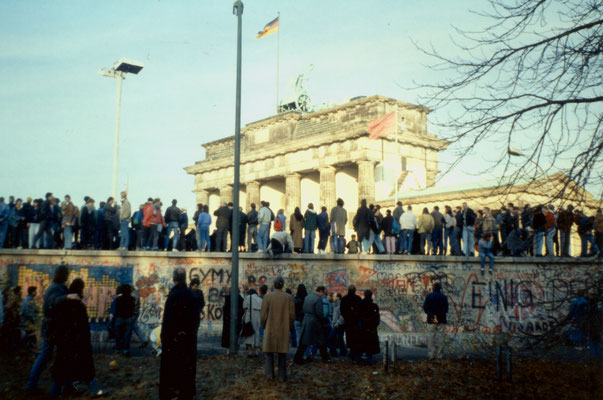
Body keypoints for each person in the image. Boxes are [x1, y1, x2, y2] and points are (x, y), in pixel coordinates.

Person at [50, 278, 104, 397]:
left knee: (62, 368)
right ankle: (95, 390)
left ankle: (55, 392)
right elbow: (83, 326)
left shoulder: (62, 303)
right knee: (86, 368)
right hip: (79, 342)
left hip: (65, 341)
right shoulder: (78, 305)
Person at [26, 265, 70, 391]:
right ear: (63, 275)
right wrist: (66, 297)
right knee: (48, 354)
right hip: (53, 326)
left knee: (53, 354)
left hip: (55, 326)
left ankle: (64, 385)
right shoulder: (55, 288)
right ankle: (32, 384)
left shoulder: (57, 287)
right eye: (66, 274)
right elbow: (52, 303)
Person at [159, 268, 200, 400]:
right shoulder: (193, 295)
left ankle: (169, 392)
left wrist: (164, 338)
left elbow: (167, 321)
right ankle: (186, 393)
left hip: (173, 340)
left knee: (170, 368)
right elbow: (196, 320)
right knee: (187, 368)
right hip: (188, 339)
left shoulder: (172, 296)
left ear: (174, 278)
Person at [260, 276, 295, 381]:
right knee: (282, 354)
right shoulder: (288, 297)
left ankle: (269, 375)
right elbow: (292, 315)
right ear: (283, 285)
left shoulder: (267, 297)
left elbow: (263, 315)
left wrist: (265, 325)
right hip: (283, 328)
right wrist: (289, 326)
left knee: (269, 353)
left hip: (270, 328)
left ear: (273, 285)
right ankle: (281, 376)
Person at [294, 286, 332, 364]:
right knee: (321, 341)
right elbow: (319, 313)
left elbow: (304, 308)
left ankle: (298, 358)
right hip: (315, 322)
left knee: (304, 341)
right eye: (323, 293)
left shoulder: (308, 297)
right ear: (320, 291)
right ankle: (326, 358)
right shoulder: (318, 299)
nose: (323, 295)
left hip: (306, 320)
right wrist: (323, 319)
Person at [423, 282, 449, 360]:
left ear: (433, 288)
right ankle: (439, 355)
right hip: (441, 318)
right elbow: (446, 309)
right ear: (440, 288)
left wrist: (432, 315)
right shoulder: (443, 297)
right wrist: (439, 315)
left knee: (431, 336)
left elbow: (425, 308)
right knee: (441, 337)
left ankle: (431, 355)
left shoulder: (429, 296)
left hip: (432, 318)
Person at [340, 285, 363, 362]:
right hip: (356, 322)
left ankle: (352, 353)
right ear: (355, 290)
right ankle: (356, 354)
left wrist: (347, 318)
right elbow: (360, 311)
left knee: (350, 337)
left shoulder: (344, 299)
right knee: (357, 338)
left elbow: (342, 310)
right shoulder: (358, 299)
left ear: (348, 290)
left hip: (348, 322)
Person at [358, 290, 380, 364]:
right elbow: (377, 318)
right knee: (370, 345)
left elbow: (357, 316)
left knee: (361, 344)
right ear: (371, 295)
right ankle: (368, 359)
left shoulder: (360, 305)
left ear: (364, 295)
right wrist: (373, 326)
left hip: (362, 328)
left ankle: (358, 359)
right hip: (371, 328)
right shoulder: (374, 306)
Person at [221, 285, 244, 354]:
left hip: (228, 320)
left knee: (228, 335)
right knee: (237, 334)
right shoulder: (240, 298)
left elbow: (225, 309)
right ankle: (237, 349)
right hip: (237, 319)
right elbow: (242, 310)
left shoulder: (227, 298)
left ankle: (228, 351)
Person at [114, 284, 136, 356]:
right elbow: (133, 310)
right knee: (127, 335)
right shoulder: (132, 299)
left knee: (118, 335)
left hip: (119, 318)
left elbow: (116, 309)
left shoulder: (118, 299)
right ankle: (126, 350)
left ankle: (118, 350)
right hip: (128, 318)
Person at [241, 288, 263, 357]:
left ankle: (250, 352)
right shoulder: (260, 299)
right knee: (257, 333)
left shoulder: (247, 297)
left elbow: (244, 307)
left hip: (249, 316)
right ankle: (256, 352)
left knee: (248, 333)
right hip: (258, 317)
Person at [20, 286, 40, 351]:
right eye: (35, 291)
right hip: (27, 323)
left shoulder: (31, 299)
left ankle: (29, 351)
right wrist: (32, 316)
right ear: (32, 292)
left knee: (31, 337)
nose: (36, 292)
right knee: (26, 338)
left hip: (30, 324)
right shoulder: (27, 300)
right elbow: (23, 312)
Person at [328, 292, 347, 357]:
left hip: (339, 325)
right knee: (339, 338)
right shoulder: (335, 304)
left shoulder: (340, 305)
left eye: (334, 296)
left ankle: (335, 352)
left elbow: (342, 316)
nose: (333, 297)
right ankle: (342, 352)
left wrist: (337, 323)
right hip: (336, 324)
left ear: (338, 298)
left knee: (331, 338)